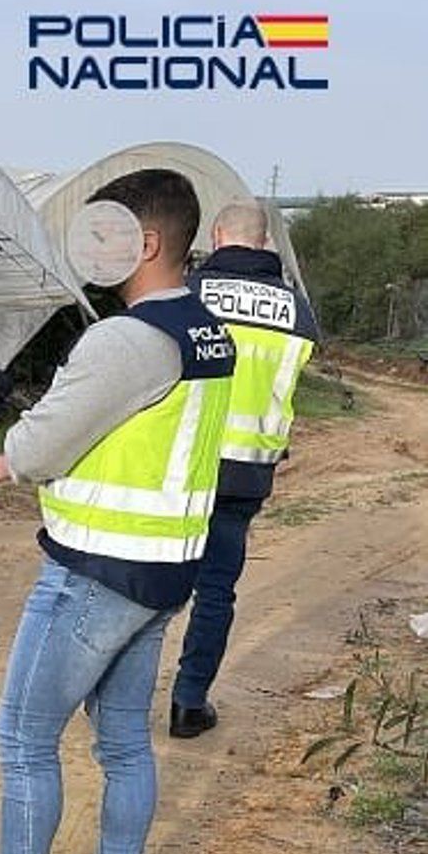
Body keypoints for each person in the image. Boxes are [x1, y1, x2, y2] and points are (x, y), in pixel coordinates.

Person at [0, 168, 235, 854]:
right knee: (124, 742)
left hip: (96, 569)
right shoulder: (210, 332)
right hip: (166, 569)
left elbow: (49, 437)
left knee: (24, 737)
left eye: (107, 232)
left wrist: (3, 460)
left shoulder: (126, 338)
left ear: (149, 243)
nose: (94, 247)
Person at [169, 201, 319, 739]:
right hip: (246, 474)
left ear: (216, 235)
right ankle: (189, 704)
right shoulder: (296, 311)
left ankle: (112, 700)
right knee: (216, 590)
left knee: (151, 579)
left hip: (179, 463)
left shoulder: (187, 292)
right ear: (265, 244)